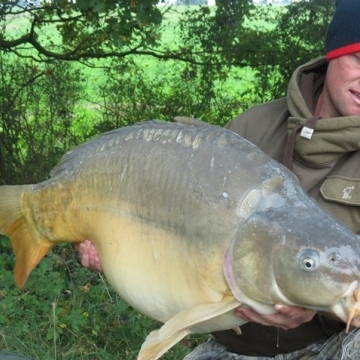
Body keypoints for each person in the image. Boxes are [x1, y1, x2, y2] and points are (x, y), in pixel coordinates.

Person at [77, 0, 360, 358]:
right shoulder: (251, 129)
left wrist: (313, 302)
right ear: (333, 53)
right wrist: (117, 245)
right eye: (359, 60)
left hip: (332, 346)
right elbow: (176, 230)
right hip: (236, 345)